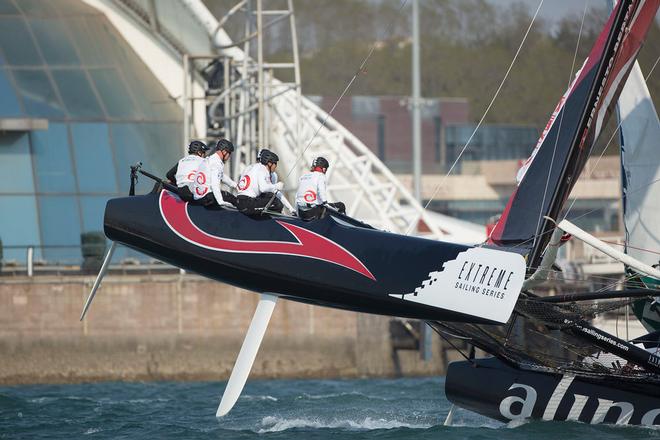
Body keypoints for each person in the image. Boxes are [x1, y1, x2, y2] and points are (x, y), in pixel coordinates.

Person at [236, 149, 295, 215]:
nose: (276, 166)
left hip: (240, 200)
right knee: (276, 203)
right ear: (269, 163)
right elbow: (264, 189)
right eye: (275, 163)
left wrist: (291, 208)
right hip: (248, 203)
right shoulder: (263, 170)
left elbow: (239, 187)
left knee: (270, 197)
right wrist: (277, 186)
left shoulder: (252, 168)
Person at [295, 156, 346, 221]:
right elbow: (321, 190)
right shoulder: (321, 176)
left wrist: (296, 212)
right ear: (324, 169)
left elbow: (297, 196)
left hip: (301, 213)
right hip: (314, 212)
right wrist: (325, 202)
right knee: (341, 205)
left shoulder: (302, 177)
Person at [192, 139, 238, 207]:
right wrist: (221, 201)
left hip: (198, 197)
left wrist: (235, 185)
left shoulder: (211, 159)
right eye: (229, 153)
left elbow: (222, 176)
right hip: (206, 197)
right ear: (224, 152)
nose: (229, 157)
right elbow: (214, 184)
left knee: (225, 195)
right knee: (232, 198)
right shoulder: (216, 163)